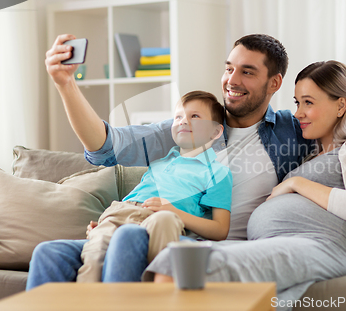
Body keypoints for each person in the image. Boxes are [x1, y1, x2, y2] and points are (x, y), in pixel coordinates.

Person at [27, 33, 346, 289]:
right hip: (139, 223)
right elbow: (107, 146)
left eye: (247, 71)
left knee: (126, 241)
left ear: (274, 84)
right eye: (229, 67)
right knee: (50, 253)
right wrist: (65, 84)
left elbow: (345, 135)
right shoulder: (195, 122)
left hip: (198, 241)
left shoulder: (294, 129)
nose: (231, 80)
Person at [147, 61, 346, 310]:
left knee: (180, 265)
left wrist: (296, 183)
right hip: (274, 242)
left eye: (308, 103)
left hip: (319, 246)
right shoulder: (307, 148)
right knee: (180, 253)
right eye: (297, 102)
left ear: (340, 106)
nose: (298, 113)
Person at [76, 90, 232, 282]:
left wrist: (175, 212)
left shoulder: (217, 172)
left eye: (195, 116)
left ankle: (159, 295)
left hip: (162, 218)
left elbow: (220, 230)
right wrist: (103, 226)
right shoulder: (159, 161)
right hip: (121, 211)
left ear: (215, 131)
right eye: (178, 117)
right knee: (94, 260)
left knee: (164, 219)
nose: (183, 121)